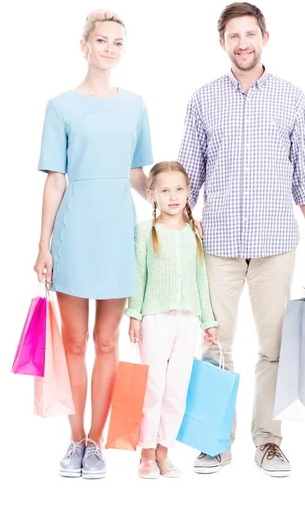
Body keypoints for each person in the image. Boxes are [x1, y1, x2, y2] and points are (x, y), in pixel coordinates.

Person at [178, 2, 305, 478]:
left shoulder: (292, 99)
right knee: (215, 345)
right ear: (222, 43)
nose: (242, 43)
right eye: (233, 36)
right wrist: (174, 235)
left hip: (275, 243)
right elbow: (188, 176)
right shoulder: (202, 100)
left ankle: (269, 441)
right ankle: (215, 442)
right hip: (216, 244)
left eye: (250, 34)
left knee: (273, 346)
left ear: (265, 36)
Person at [34, 10, 153, 479]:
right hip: (75, 234)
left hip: (117, 236)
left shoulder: (136, 106)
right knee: (73, 341)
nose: (109, 49)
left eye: (118, 42)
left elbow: (138, 176)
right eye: (101, 40)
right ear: (84, 45)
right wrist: (43, 244)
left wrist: (177, 208)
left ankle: (98, 443)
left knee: (107, 341)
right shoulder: (60, 106)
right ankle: (74, 439)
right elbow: (55, 180)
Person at [125, 161, 219, 479]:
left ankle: (164, 451)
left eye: (179, 189)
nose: (173, 196)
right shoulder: (144, 231)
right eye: (165, 190)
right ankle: (147, 453)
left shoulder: (195, 233)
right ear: (152, 195)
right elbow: (138, 276)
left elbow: (201, 278)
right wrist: (134, 315)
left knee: (176, 388)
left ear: (189, 191)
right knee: (153, 386)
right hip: (154, 319)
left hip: (188, 320)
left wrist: (208, 320)